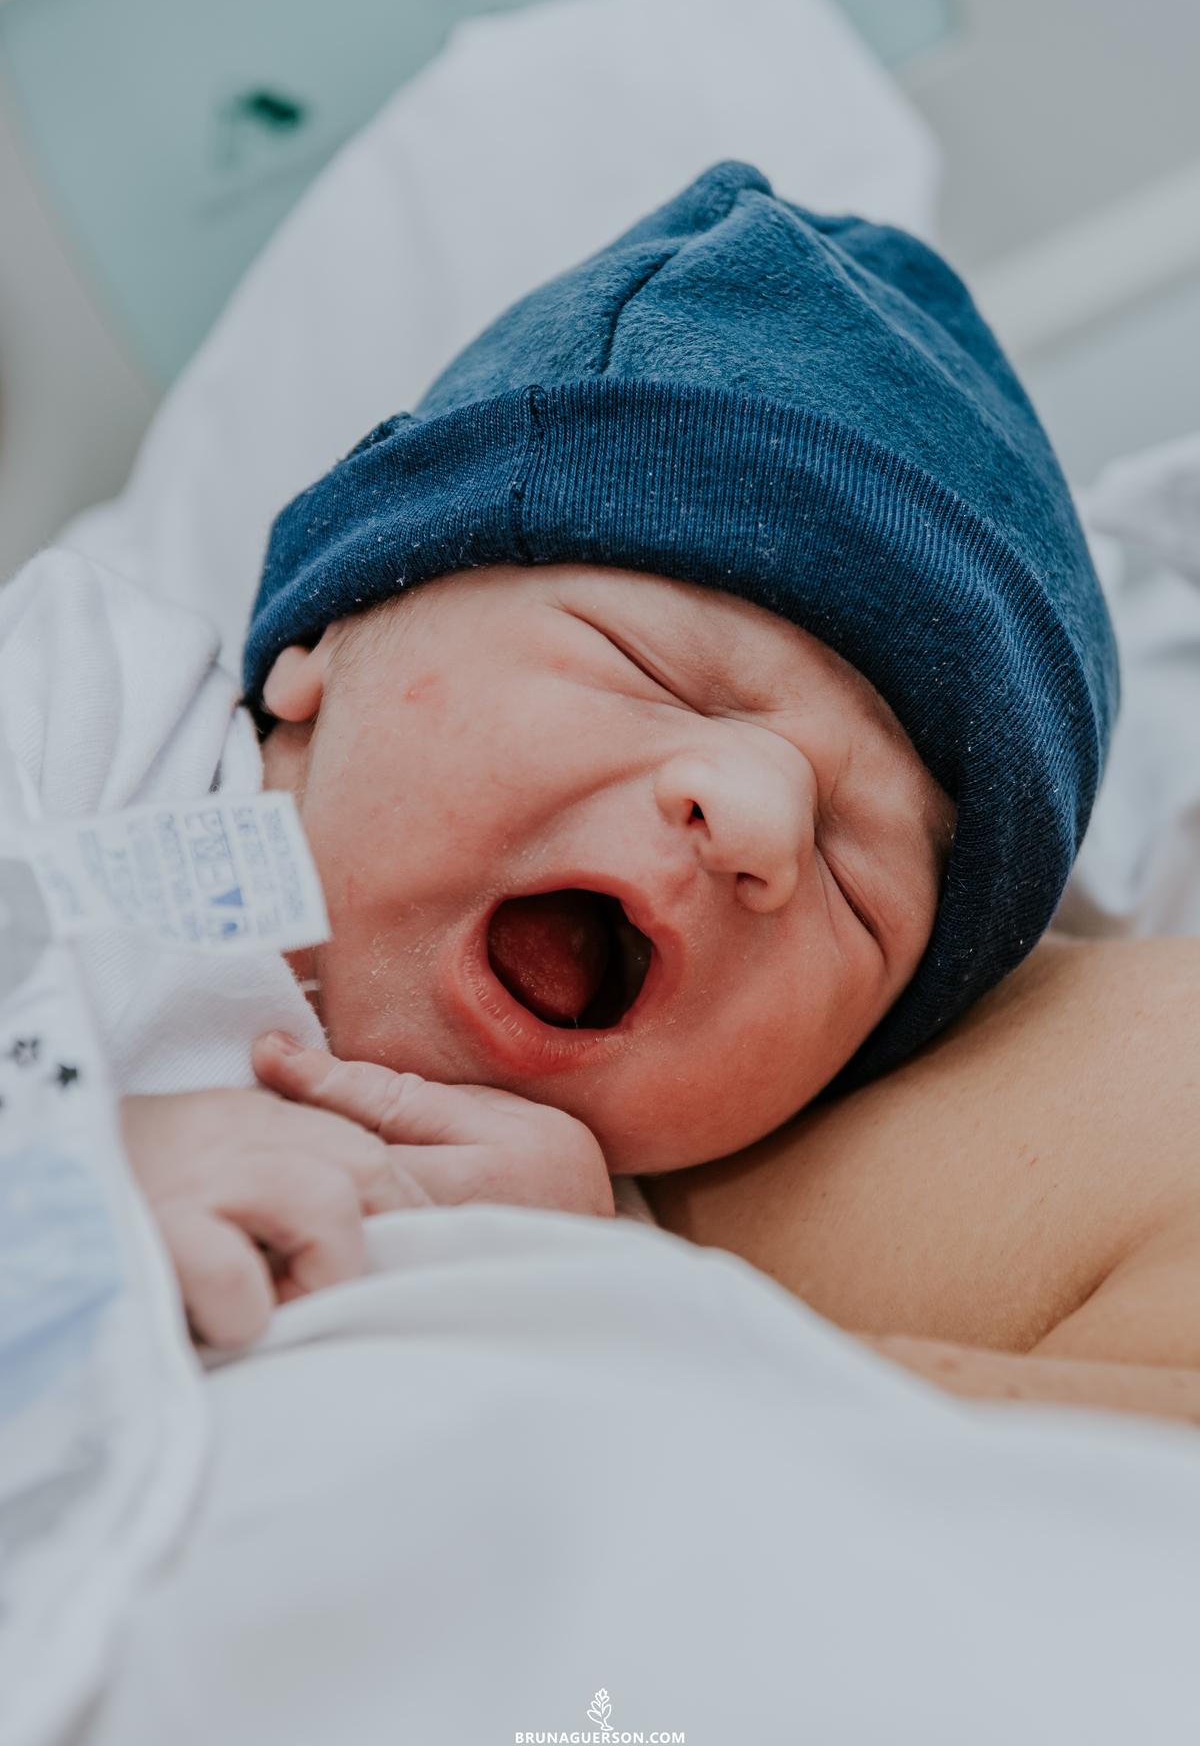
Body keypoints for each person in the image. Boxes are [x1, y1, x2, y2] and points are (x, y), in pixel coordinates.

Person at [13, 163, 1194, 1418]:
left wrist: (579, 1274)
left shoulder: (627, 1231)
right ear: (328, 639)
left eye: (860, 894)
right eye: (657, 673)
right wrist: (82, 1167)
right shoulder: (83, 719)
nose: (758, 823)